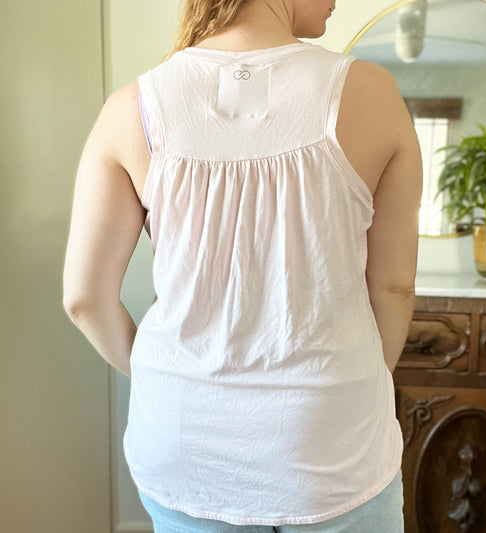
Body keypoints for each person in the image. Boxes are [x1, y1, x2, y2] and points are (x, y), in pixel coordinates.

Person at [62, 0, 422, 531]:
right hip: (333, 447)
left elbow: (84, 299)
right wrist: (352, 389)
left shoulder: (130, 108)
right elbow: (392, 288)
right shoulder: (373, 93)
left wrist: (169, 383)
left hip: (184, 447)